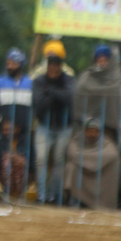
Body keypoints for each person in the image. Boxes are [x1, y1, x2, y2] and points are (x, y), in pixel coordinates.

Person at [31, 54, 75, 203]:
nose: (53, 68)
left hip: (64, 126)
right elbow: (39, 104)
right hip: (44, 125)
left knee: (59, 161)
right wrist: (57, 95)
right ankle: (42, 195)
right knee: (41, 159)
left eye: (56, 65)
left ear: (60, 67)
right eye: (51, 65)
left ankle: (55, 195)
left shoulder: (68, 80)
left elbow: (69, 98)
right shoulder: (39, 81)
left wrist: (50, 91)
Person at [64, 117, 119, 209]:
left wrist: (86, 160)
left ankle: (103, 205)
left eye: (95, 131)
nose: (92, 134)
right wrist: (94, 160)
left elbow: (113, 154)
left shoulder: (106, 142)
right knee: (71, 167)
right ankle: (75, 200)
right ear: (85, 131)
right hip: (82, 170)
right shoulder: (76, 140)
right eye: (89, 131)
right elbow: (73, 154)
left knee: (112, 168)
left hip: (100, 172)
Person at [0, 48, 34, 178]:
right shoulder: (0, 82)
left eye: (13, 63)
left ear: (20, 65)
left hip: (24, 129)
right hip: (4, 128)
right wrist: (1, 120)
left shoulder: (29, 83)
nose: (10, 66)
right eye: (8, 63)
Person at [73, 45, 121, 142]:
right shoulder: (88, 75)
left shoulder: (115, 76)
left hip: (108, 125)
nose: (102, 63)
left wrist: (97, 91)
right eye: (99, 60)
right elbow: (80, 88)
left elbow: (116, 90)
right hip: (88, 124)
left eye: (105, 60)